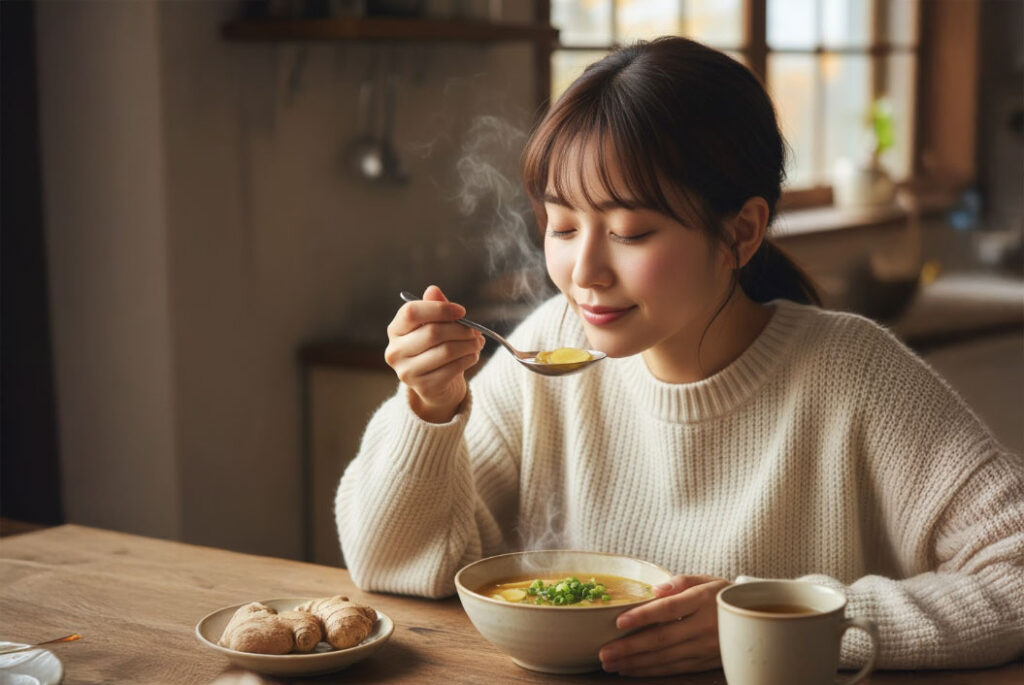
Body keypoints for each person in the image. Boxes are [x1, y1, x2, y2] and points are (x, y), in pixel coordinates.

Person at [336, 37, 1024, 676]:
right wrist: (429, 410)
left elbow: (1014, 575)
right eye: (562, 225)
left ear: (742, 231)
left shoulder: (855, 375)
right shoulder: (550, 346)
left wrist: (778, 617)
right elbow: (395, 564)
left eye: (631, 231)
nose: (584, 271)